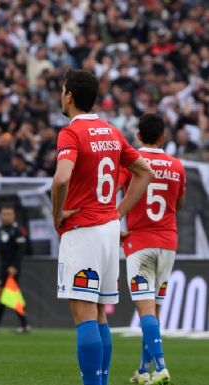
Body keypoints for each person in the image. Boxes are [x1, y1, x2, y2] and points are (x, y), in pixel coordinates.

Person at [52, 69, 153, 385]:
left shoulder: (71, 133)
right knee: (97, 315)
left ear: (69, 96)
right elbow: (144, 171)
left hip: (83, 230)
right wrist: (117, 213)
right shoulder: (111, 131)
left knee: (83, 315)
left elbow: (61, 178)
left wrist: (58, 213)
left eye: (62, 90)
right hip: (109, 231)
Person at [120, 113, 185, 385]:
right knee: (154, 310)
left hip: (140, 242)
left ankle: (160, 367)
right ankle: (143, 370)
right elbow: (178, 204)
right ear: (163, 137)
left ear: (137, 136)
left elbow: (123, 191)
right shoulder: (177, 166)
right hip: (168, 243)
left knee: (145, 309)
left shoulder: (132, 163)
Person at [0, 206, 30, 333]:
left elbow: (21, 251)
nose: (7, 216)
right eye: (4, 214)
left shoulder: (17, 230)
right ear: (0, 215)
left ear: (14, 215)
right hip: (3, 267)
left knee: (6, 295)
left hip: (12, 269)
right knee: (6, 296)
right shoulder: (1, 230)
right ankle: (23, 325)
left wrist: (14, 266)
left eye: (9, 214)